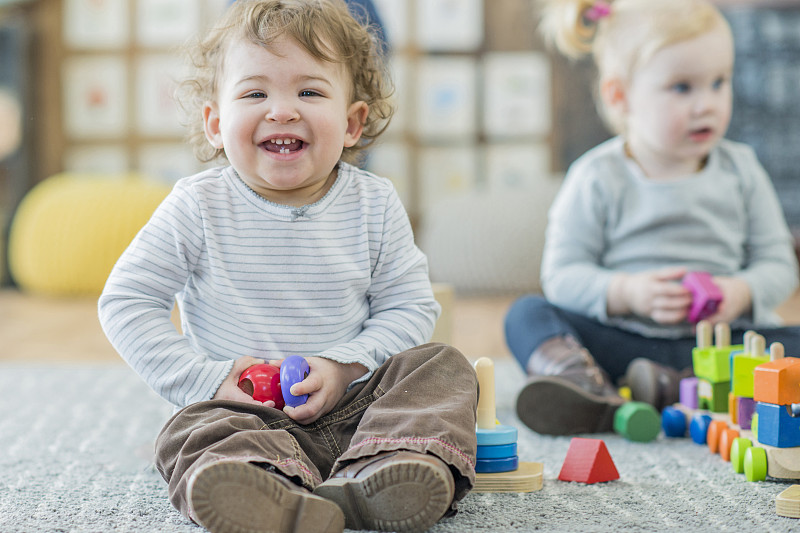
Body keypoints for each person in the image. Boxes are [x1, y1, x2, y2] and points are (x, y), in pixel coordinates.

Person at [98, 2, 478, 532]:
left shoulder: (375, 203)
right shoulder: (197, 205)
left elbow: (410, 306)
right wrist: (207, 381)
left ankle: (388, 468)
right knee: (192, 431)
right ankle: (266, 493)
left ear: (352, 123)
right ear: (215, 122)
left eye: (309, 91)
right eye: (255, 93)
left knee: (442, 366)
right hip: (242, 414)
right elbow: (126, 300)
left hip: (359, 410)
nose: (281, 110)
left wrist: (344, 366)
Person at [505, 0, 800, 436]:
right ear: (620, 96)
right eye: (682, 88)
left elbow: (779, 264)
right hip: (626, 345)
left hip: (726, 346)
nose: (707, 104)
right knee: (526, 314)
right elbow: (562, 275)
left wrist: (740, 292)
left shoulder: (741, 168)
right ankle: (582, 385)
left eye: (720, 83)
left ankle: (673, 388)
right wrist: (626, 292)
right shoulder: (597, 176)